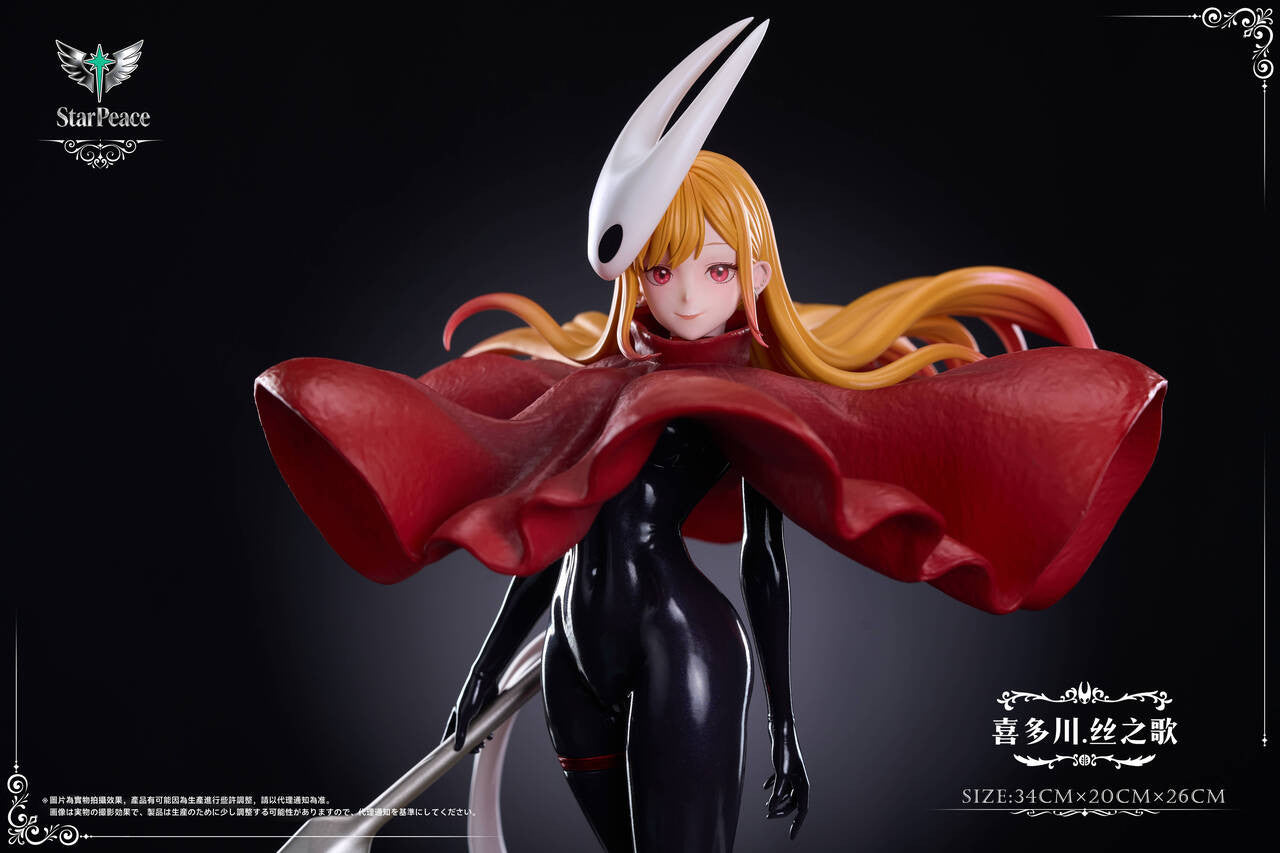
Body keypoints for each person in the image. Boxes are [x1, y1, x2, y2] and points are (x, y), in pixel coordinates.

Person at [253, 20, 1165, 853]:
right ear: (632, 276)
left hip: (680, 646)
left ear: (755, 272)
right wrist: (486, 666)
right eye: (662, 268)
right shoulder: (595, 386)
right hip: (571, 661)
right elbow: (549, 525)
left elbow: (765, 563)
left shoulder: (747, 395)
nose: (688, 294)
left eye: (717, 269)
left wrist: (783, 723)